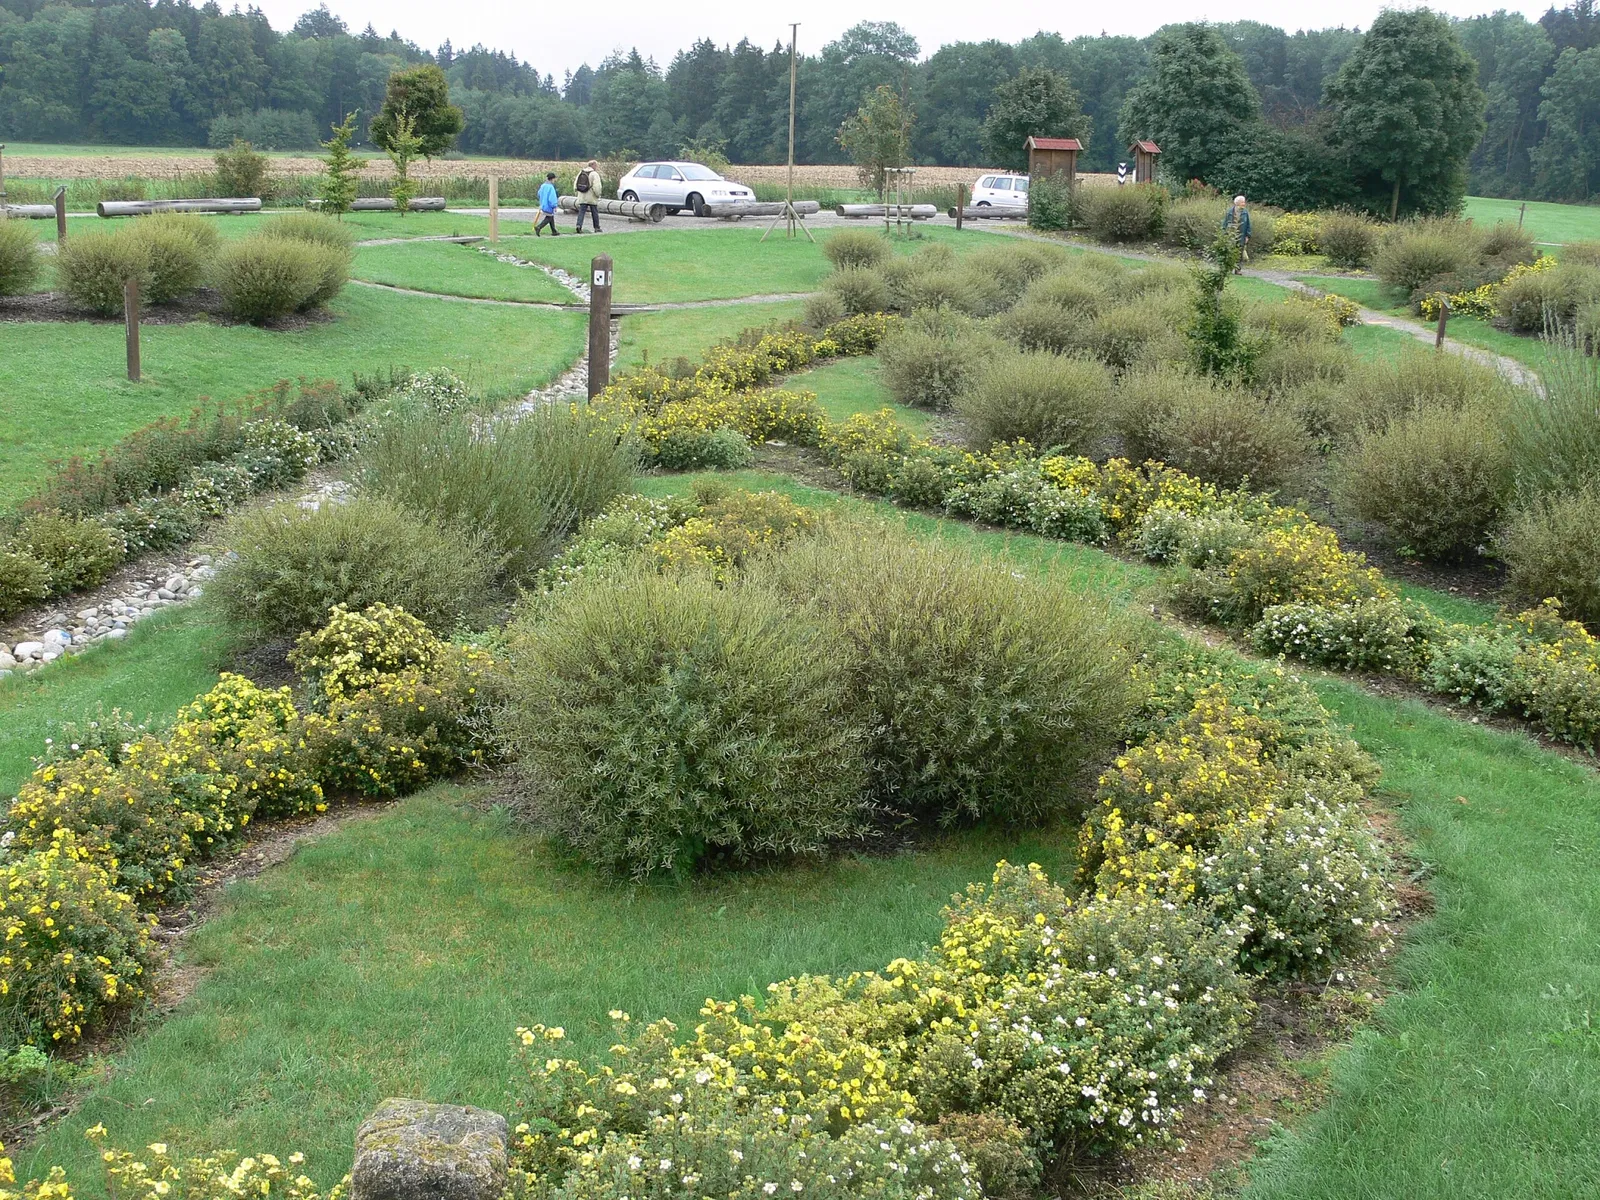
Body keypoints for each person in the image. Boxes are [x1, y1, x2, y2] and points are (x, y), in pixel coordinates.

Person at [1221, 194, 1251, 272]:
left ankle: (1237, 269)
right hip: (1231, 235)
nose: (1244, 204)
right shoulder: (1230, 212)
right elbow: (1225, 223)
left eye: (1244, 202)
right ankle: (1229, 268)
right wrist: (1224, 233)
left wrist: (1247, 235)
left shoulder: (1245, 212)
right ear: (1237, 203)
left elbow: (1248, 224)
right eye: (1242, 202)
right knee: (1230, 252)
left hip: (1241, 235)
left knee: (1239, 253)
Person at [573, 160, 601, 233]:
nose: (596, 167)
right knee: (594, 212)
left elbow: (575, 184)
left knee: (581, 212)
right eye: (596, 165)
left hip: (582, 195)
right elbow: (597, 186)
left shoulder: (581, 172)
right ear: (593, 165)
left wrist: (577, 193)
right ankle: (597, 227)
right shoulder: (594, 174)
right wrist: (598, 195)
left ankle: (578, 225)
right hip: (591, 196)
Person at [534, 171, 559, 236]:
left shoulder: (543, 186)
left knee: (551, 216)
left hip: (543, 204)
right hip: (549, 205)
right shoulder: (551, 187)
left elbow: (539, 194)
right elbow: (552, 198)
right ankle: (539, 227)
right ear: (552, 179)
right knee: (549, 217)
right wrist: (554, 205)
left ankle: (554, 231)